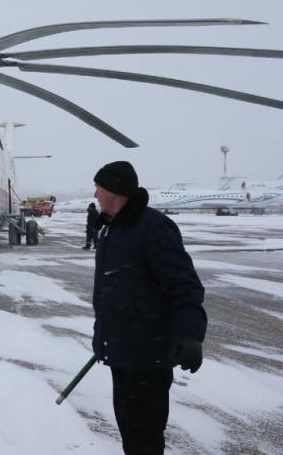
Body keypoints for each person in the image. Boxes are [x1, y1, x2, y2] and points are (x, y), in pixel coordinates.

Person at [91, 161, 206, 455]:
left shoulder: (153, 228)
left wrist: (191, 334)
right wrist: (101, 336)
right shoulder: (111, 230)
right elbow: (110, 294)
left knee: (145, 436)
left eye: (99, 188)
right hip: (121, 353)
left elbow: (184, 285)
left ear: (115, 191)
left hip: (148, 356)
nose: (94, 194)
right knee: (130, 432)